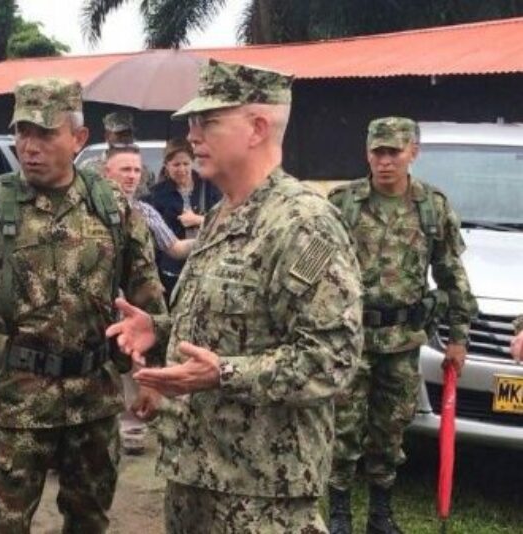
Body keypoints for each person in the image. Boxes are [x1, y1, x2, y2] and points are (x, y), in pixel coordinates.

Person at [105, 58, 363, 533]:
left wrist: (222, 374)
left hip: (261, 495)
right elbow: (229, 325)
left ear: (257, 128)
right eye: (190, 121)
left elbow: (332, 359)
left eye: (208, 121)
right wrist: (158, 330)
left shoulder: (301, 223)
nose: (192, 134)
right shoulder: (224, 214)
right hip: (196, 476)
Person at [0, 77, 168, 533]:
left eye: (45, 133)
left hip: (94, 402)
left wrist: (150, 371)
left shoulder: (110, 205)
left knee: (90, 522)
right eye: (22, 132)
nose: (29, 146)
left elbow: (145, 292)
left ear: (79, 138)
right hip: (16, 405)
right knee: (2, 527)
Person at [326, 116, 477, 534]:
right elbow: (316, 267)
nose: (385, 160)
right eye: (378, 151)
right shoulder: (343, 203)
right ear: (367, 153)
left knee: (390, 431)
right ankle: (339, 512)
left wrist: (459, 338)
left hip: (403, 341)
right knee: (343, 427)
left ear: (413, 152)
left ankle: (380, 512)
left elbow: (452, 277)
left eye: (394, 151)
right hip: (350, 339)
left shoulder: (432, 207)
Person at [102, 144, 193, 456]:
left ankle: (133, 429)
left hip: (135, 302)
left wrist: (211, 232)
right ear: (106, 172)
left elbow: (175, 248)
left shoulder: (145, 211)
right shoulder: (88, 210)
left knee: (134, 363)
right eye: (124, 169)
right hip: (99, 302)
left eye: (137, 170)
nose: (131, 176)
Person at [143, 138, 221, 300]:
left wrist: (199, 220)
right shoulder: (156, 195)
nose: (182, 169)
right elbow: (152, 240)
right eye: (176, 165)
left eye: (186, 164)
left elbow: (227, 220)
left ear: (193, 162)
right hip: (171, 272)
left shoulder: (211, 186)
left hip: (206, 266)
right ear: (166, 166)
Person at [78, 110, 156, 196]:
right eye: (120, 134)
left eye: (128, 134)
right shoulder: (89, 167)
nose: (125, 138)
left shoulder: (143, 171)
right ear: (107, 136)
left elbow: (149, 198)